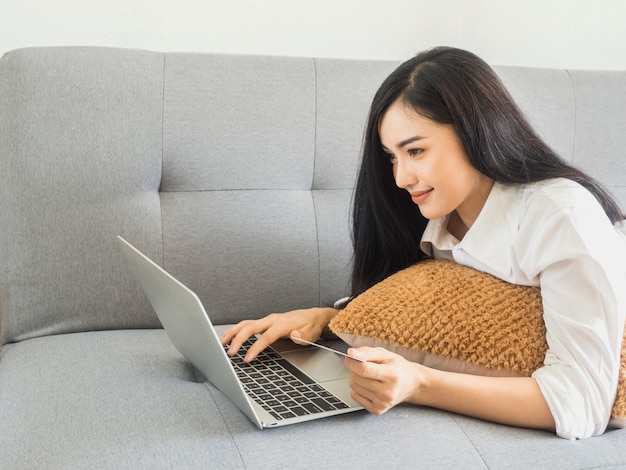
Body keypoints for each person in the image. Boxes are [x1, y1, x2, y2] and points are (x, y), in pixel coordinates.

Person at [221, 46, 626, 440]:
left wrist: (420, 383)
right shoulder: (433, 219)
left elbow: (583, 402)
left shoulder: (560, 216)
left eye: (415, 150)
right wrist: (326, 320)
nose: (400, 178)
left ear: (474, 132)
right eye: (392, 157)